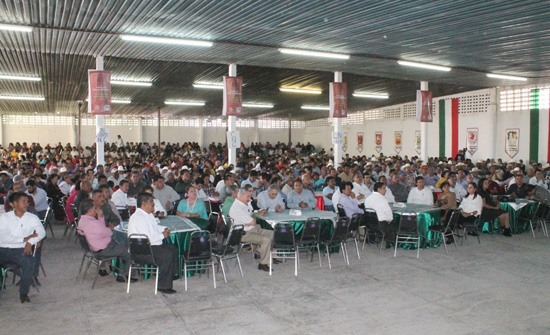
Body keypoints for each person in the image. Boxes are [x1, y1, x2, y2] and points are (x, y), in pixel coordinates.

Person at [127, 193, 178, 294]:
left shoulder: (148, 215)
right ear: (144, 204)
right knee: (166, 255)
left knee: (172, 248)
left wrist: (164, 229)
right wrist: (163, 235)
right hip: (143, 250)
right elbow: (149, 238)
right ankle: (163, 286)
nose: (154, 207)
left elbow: (155, 228)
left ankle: (170, 274)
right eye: (152, 204)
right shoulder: (139, 218)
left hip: (150, 246)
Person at [0, 192, 46, 303]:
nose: (26, 204)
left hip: (21, 249)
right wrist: (24, 239)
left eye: (27, 201)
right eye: (23, 201)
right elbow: (4, 238)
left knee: (29, 262)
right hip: (3, 249)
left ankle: (24, 292)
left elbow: (41, 232)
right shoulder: (4, 218)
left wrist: (30, 242)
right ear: (14, 204)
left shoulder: (32, 217)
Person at [77, 198, 136, 283]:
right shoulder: (93, 223)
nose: (97, 210)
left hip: (93, 249)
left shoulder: (82, 221)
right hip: (104, 250)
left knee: (121, 245)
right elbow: (109, 233)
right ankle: (123, 275)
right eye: (95, 208)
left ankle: (118, 269)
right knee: (129, 250)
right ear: (90, 211)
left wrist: (100, 217)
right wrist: (109, 228)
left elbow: (102, 230)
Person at [229, 188, 276, 272]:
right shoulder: (237, 207)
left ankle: (269, 255)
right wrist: (252, 219)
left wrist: (252, 218)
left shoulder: (243, 204)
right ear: (242, 196)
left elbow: (252, 217)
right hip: (243, 234)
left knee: (274, 234)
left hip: (251, 229)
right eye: (248, 197)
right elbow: (253, 220)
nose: (249, 199)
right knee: (266, 240)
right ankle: (263, 263)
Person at [364, 182, 396, 249]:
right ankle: (390, 242)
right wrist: (390, 220)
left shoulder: (367, 199)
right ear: (379, 189)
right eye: (384, 188)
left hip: (370, 225)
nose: (385, 190)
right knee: (394, 223)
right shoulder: (382, 199)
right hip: (381, 226)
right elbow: (389, 215)